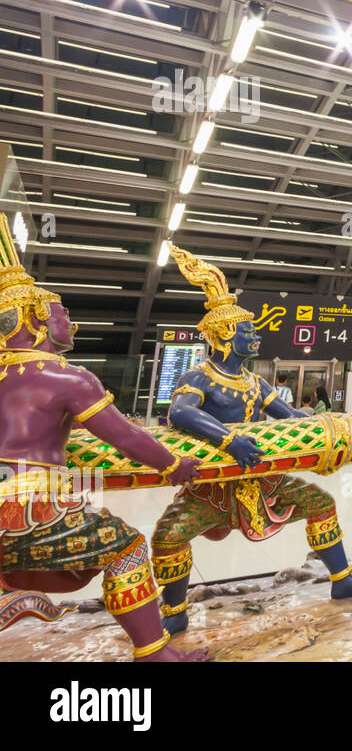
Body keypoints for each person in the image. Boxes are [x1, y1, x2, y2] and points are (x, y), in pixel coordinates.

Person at [0, 216, 206, 661]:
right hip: (25, 508)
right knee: (128, 546)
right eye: (61, 312)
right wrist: (174, 466)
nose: (68, 320)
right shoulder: (67, 377)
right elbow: (125, 436)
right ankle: (154, 653)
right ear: (36, 318)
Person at [150, 245, 352, 634]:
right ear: (224, 334)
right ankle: (174, 612)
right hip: (213, 487)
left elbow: (289, 417)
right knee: (169, 536)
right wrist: (229, 442)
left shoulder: (256, 382)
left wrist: (326, 428)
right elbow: (182, 413)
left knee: (321, 503)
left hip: (262, 481)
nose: (256, 336)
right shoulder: (198, 377)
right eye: (247, 331)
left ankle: (342, 580)